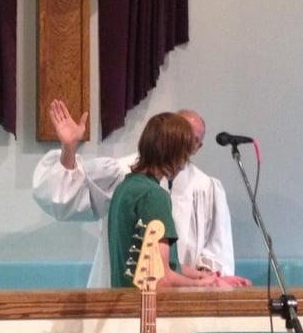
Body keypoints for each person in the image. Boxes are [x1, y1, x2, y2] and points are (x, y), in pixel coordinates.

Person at [33, 99, 238, 288]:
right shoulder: (131, 179)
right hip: (146, 300)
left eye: (192, 141)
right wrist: (68, 148)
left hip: (162, 301)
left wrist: (207, 277)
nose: (186, 150)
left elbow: (200, 255)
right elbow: (65, 195)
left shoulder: (205, 187)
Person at [108, 112, 247, 287]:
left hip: (124, 304)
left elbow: (164, 262)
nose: (185, 161)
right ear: (173, 152)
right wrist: (202, 286)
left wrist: (209, 278)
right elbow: (161, 277)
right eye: (185, 152)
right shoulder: (153, 196)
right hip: (146, 307)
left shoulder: (125, 188)